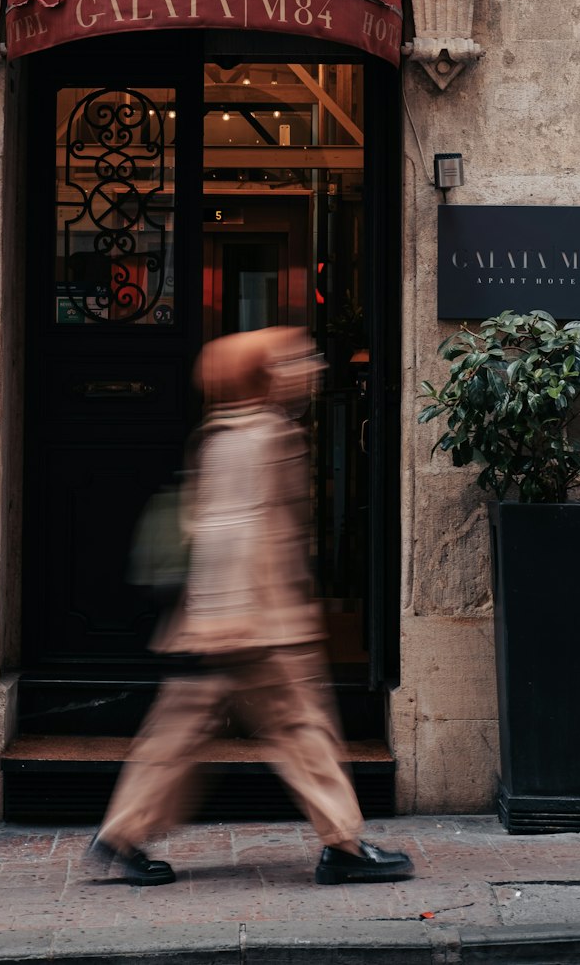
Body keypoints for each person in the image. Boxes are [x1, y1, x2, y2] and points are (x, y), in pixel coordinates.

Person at [87, 326, 414, 887]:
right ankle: (343, 843)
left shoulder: (230, 430)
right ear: (263, 375)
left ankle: (122, 832)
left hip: (229, 617)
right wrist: (232, 614)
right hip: (251, 619)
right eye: (293, 360)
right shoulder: (255, 435)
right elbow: (230, 530)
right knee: (300, 725)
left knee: (183, 726)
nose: (308, 367)